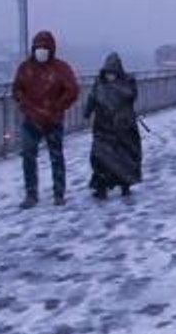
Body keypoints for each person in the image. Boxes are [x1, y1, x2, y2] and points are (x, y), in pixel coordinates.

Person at [12, 30, 80, 208]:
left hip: (53, 119)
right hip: (31, 119)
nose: (41, 51)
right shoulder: (25, 68)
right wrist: (25, 105)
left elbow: (72, 90)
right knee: (28, 156)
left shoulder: (61, 68)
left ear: (52, 49)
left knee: (56, 156)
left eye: (45, 48)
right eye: (38, 47)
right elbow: (17, 89)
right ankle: (31, 194)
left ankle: (59, 193)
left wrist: (57, 106)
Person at [85, 53, 142, 199]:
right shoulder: (99, 83)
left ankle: (125, 185)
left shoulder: (128, 81)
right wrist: (87, 112)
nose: (110, 75)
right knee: (99, 158)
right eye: (108, 72)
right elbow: (92, 98)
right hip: (102, 126)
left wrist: (115, 88)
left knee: (125, 156)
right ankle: (101, 187)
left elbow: (131, 95)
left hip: (124, 126)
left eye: (113, 72)